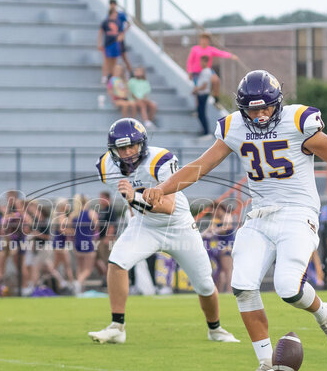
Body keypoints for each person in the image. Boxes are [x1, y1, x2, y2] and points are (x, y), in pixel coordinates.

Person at [143, 70, 327, 371]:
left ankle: (323, 313)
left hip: (298, 212)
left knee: (289, 289)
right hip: (260, 215)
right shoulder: (234, 127)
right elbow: (199, 167)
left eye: (266, 107)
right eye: (253, 110)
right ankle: (266, 364)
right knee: (242, 285)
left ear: (277, 103)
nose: (260, 115)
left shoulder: (298, 122)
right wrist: (163, 188)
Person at [88, 118, 239, 344]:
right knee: (117, 262)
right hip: (145, 225)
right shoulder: (105, 166)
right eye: (122, 148)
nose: (128, 152)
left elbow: (168, 207)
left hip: (177, 226)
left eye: (132, 146)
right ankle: (117, 327)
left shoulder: (160, 160)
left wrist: (134, 197)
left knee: (204, 284)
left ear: (142, 144)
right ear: (113, 150)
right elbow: (129, 199)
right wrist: (134, 210)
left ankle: (215, 329)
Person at [69, 194, 98, 293]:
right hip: (87, 242)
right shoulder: (91, 213)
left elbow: (70, 230)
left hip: (77, 243)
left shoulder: (73, 215)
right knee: (88, 269)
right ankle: (78, 283)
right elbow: (97, 228)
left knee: (80, 268)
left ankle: (79, 289)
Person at [50, 198, 74, 287]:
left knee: (55, 266)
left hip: (59, 243)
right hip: (60, 244)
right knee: (67, 266)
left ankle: (61, 282)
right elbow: (62, 230)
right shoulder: (61, 215)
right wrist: (73, 232)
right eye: (67, 204)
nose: (68, 206)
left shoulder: (60, 215)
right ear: (63, 206)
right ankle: (71, 285)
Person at [98, 8, 122, 84]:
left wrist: (120, 38)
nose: (116, 15)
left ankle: (113, 77)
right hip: (108, 44)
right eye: (115, 13)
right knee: (106, 61)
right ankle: (104, 76)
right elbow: (100, 32)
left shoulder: (118, 22)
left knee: (114, 61)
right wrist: (99, 43)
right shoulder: (105, 22)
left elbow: (121, 33)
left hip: (115, 43)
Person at [109, 0, 132, 73]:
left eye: (113, 4)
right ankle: (113, 74)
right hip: (112, 39)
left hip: (120, 39)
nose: (112, 6)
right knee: (113, 58)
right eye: (111, 5)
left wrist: (123, 33)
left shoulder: (121, 15)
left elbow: (129, 24)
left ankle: (131, 73)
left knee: (124, 56)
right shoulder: (109, 15)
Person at [192, 55, 213, 136]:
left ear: (206, 62)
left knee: (202, 113)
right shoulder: (204, 71)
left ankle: (206, 131)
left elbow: (204, 85)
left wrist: (196, 89)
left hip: (203, 94)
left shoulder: (207, 71)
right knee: (200, 113)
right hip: (201, 94)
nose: (200, 63)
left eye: (202, 61)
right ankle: (204, 130)